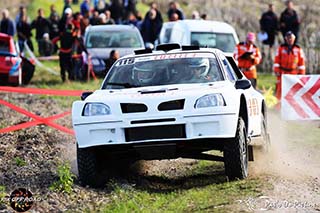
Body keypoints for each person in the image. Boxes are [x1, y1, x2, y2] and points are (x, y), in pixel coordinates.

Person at [273, 31, 305, 100]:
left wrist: (301, 75)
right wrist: (276, 70)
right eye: (288, 38)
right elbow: (276, 60)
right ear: (285, 39)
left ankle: (291, 106)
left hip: (293, 73)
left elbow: (301, 64)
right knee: (280, 90)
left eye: (291, 38)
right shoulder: (281, 48)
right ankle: (278, 107)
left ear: (294, 39)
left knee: (293, 91)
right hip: (282, 73)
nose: (290, 39)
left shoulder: (298, 49)